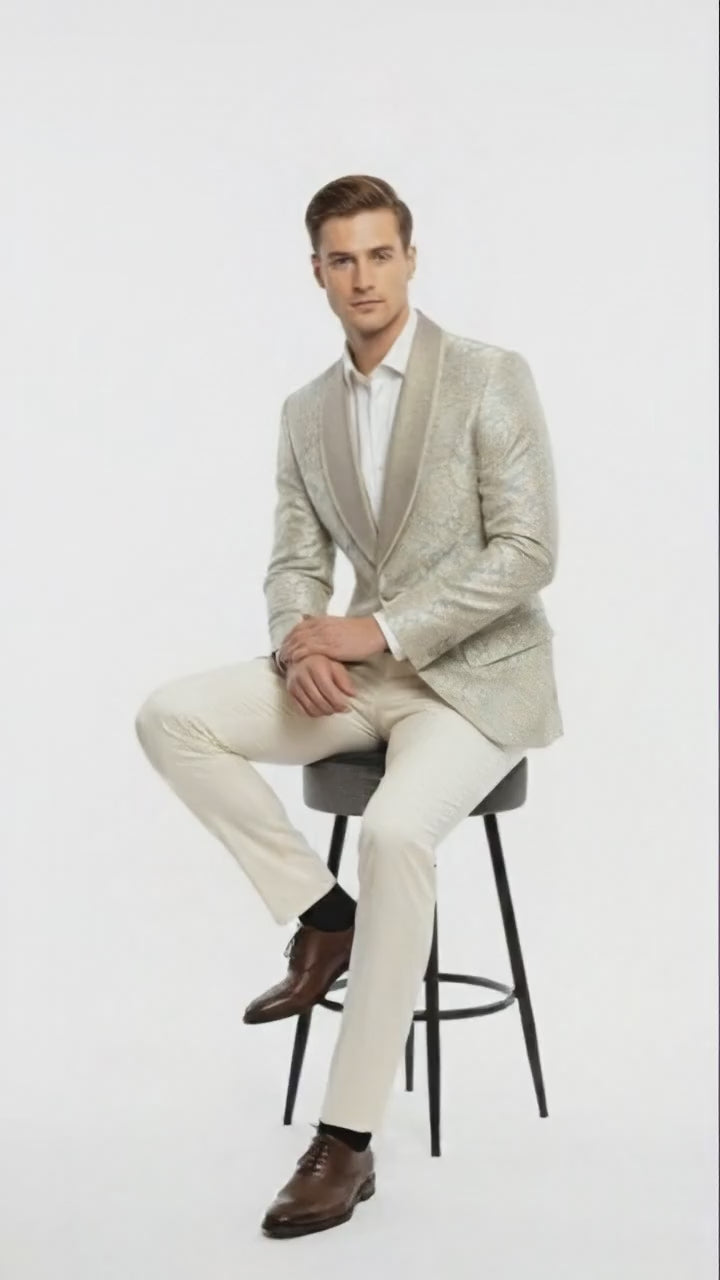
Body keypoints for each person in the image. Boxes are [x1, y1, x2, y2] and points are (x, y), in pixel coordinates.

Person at [134, 173, 563, 1239]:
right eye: (342, 259)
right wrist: (296, 643)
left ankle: (347, 1139)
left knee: (396, 832)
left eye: (379, 254)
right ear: (317, 271)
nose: (363, 277)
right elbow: (295, 560)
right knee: (171, 715)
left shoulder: (489, 376)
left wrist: (376, 631)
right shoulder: (305, 412)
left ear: (410, 258)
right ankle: (327, 920)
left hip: (472, 680)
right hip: (357, 681)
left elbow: (526, 552)